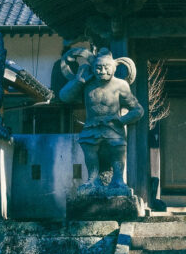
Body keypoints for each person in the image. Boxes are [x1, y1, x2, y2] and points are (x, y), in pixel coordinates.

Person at [59, 49, 144, 194]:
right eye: (98, 68)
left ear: (114, 68)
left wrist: (122, 120)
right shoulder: (86, 84)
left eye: (106, 67)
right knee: (89, 150)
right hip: (91, 126)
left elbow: (138, 110)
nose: (102, 71)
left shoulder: (120, 85)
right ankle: (92, 179)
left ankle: (118, 180)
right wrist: (79, 81)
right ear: (92, 68)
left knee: (118, 150)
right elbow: (64, 97)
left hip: (113, 127)